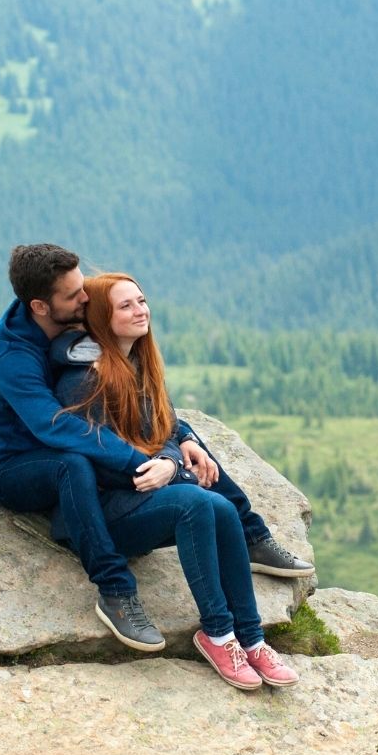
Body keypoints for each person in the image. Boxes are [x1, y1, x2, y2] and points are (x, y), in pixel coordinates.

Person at [0, 244, 312, 658]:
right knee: (71, 464)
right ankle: (115, 590)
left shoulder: (69, 329)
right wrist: (141, 461)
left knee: (190, 446)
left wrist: (181, 437)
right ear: (40, 306)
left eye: (84, 289)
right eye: (74, 295)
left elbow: (137, 401)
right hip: (12, 463)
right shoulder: (13, 356)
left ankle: (250, 533)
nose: (85, 299)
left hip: (69, 447)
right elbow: (54, 425)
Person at [51, 271, 307, 690]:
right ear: (101, 315)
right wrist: (177, 469)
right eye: (126, 305)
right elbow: (96, 458)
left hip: (138, 497)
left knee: (221, 508)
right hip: (103, 511)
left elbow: (164, 425)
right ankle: (218, 633)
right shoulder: (84, 378)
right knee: (195, 503)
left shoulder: (136, 361)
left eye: (142, 300)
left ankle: (252, 636)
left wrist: (179, 448)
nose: (141, 310)